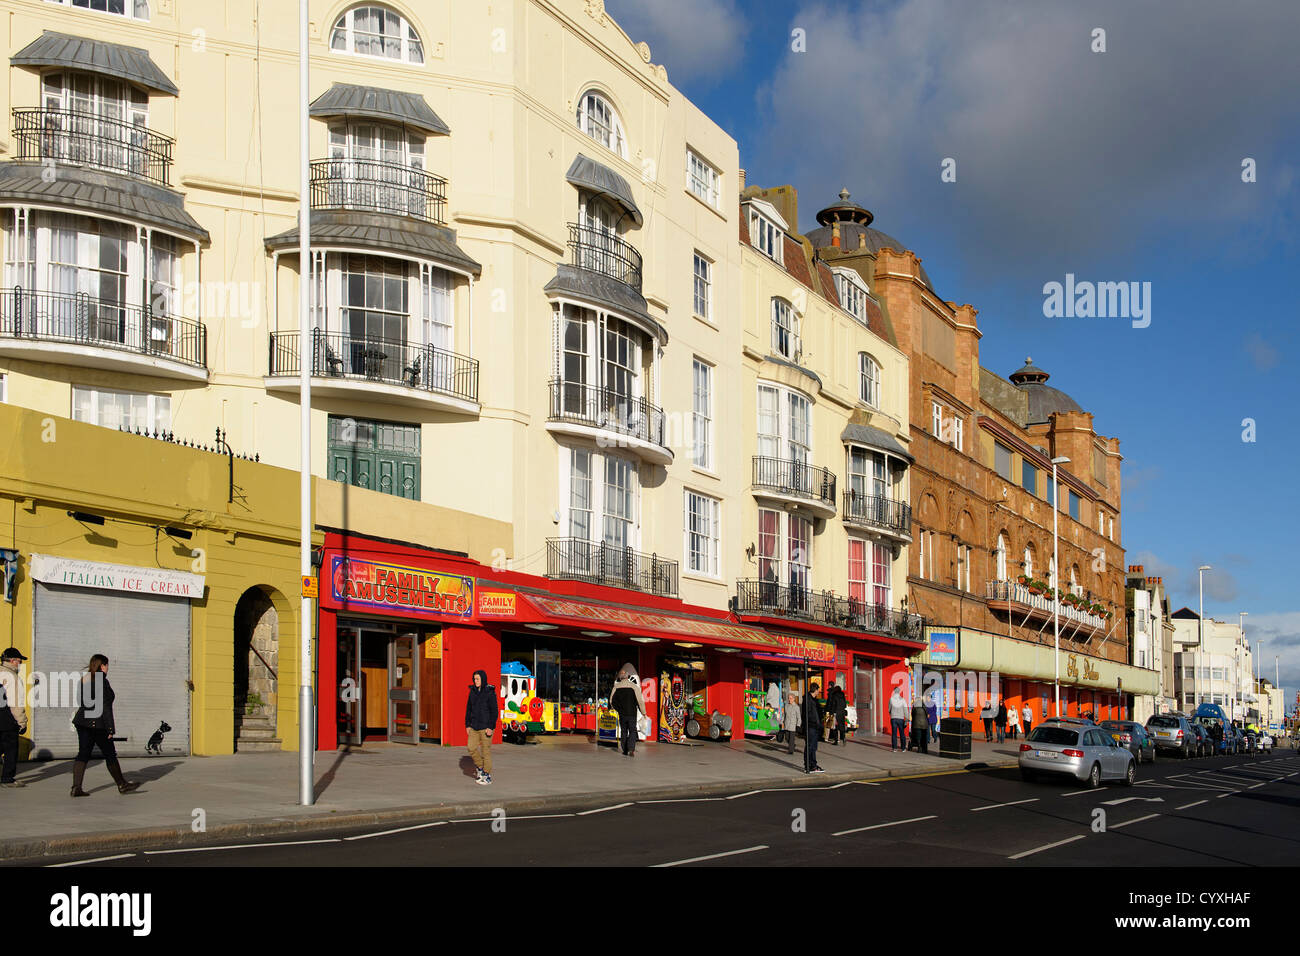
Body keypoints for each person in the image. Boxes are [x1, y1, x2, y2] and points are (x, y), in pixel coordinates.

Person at [71, 654, 139, 797]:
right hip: (98, 724)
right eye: (107, 665)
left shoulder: (85, 679)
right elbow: (105, 706)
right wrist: (110, 728)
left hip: (82, 721)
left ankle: (76, 788)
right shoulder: (102, 681)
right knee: (110, 754)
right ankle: (122, 785)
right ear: (102, 666)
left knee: (83, 754)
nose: (108, 668)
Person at [0, 647, 28, 789]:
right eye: (19, 661)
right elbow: (16, 702)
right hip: (7, 718)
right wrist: (21, 722)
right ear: (12, 661)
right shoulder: (13, 677)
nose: (20, 664)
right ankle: (7, 779)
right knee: (11, 749)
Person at [464, 669, 497, 785]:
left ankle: (487, 775)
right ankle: (480, 767)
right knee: (471, 747)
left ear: (483, 679)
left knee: (485, 751)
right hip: (474, 726)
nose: (475, 681)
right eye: (474, 679)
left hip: (486, 727)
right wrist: (467, 724)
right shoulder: (472, 691)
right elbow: (468, 709)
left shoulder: (490, 692)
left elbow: (494, 711)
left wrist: (491, 727)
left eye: (477, 679)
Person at [610, 663, 646, 757]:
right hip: (632, 714)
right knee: (632, 731)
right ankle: (631, 749)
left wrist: (617, 709)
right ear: (628, 677)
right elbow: (640, 701)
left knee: (624, 731)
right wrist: (643, 712)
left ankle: (624, 750)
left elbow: (611, 701)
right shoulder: (634, 687)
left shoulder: (616, 688)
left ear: (621, 678)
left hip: (622, 714)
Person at [803, 682, 825, 773]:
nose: (819, 692)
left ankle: (812, 765)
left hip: (815, 726)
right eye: (818, 690)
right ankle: (810, 766)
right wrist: (814, 722)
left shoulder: (814, 700)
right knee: (810, 746)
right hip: (811, 726)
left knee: (813, 747)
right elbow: (808, 714)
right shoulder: (808, 700)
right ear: (815, 690)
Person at [888, 685, 909, 752]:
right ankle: (903, 748)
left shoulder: (891, 699)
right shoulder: (903, 700)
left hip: (893, 718)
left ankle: (894, 748)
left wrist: (891, 714)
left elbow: (889, 709)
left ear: (894, 691)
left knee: (894, 733)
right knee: (902, 733)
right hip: (900, 719)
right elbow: (905, 710)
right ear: (899, 692)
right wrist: (907, 718)